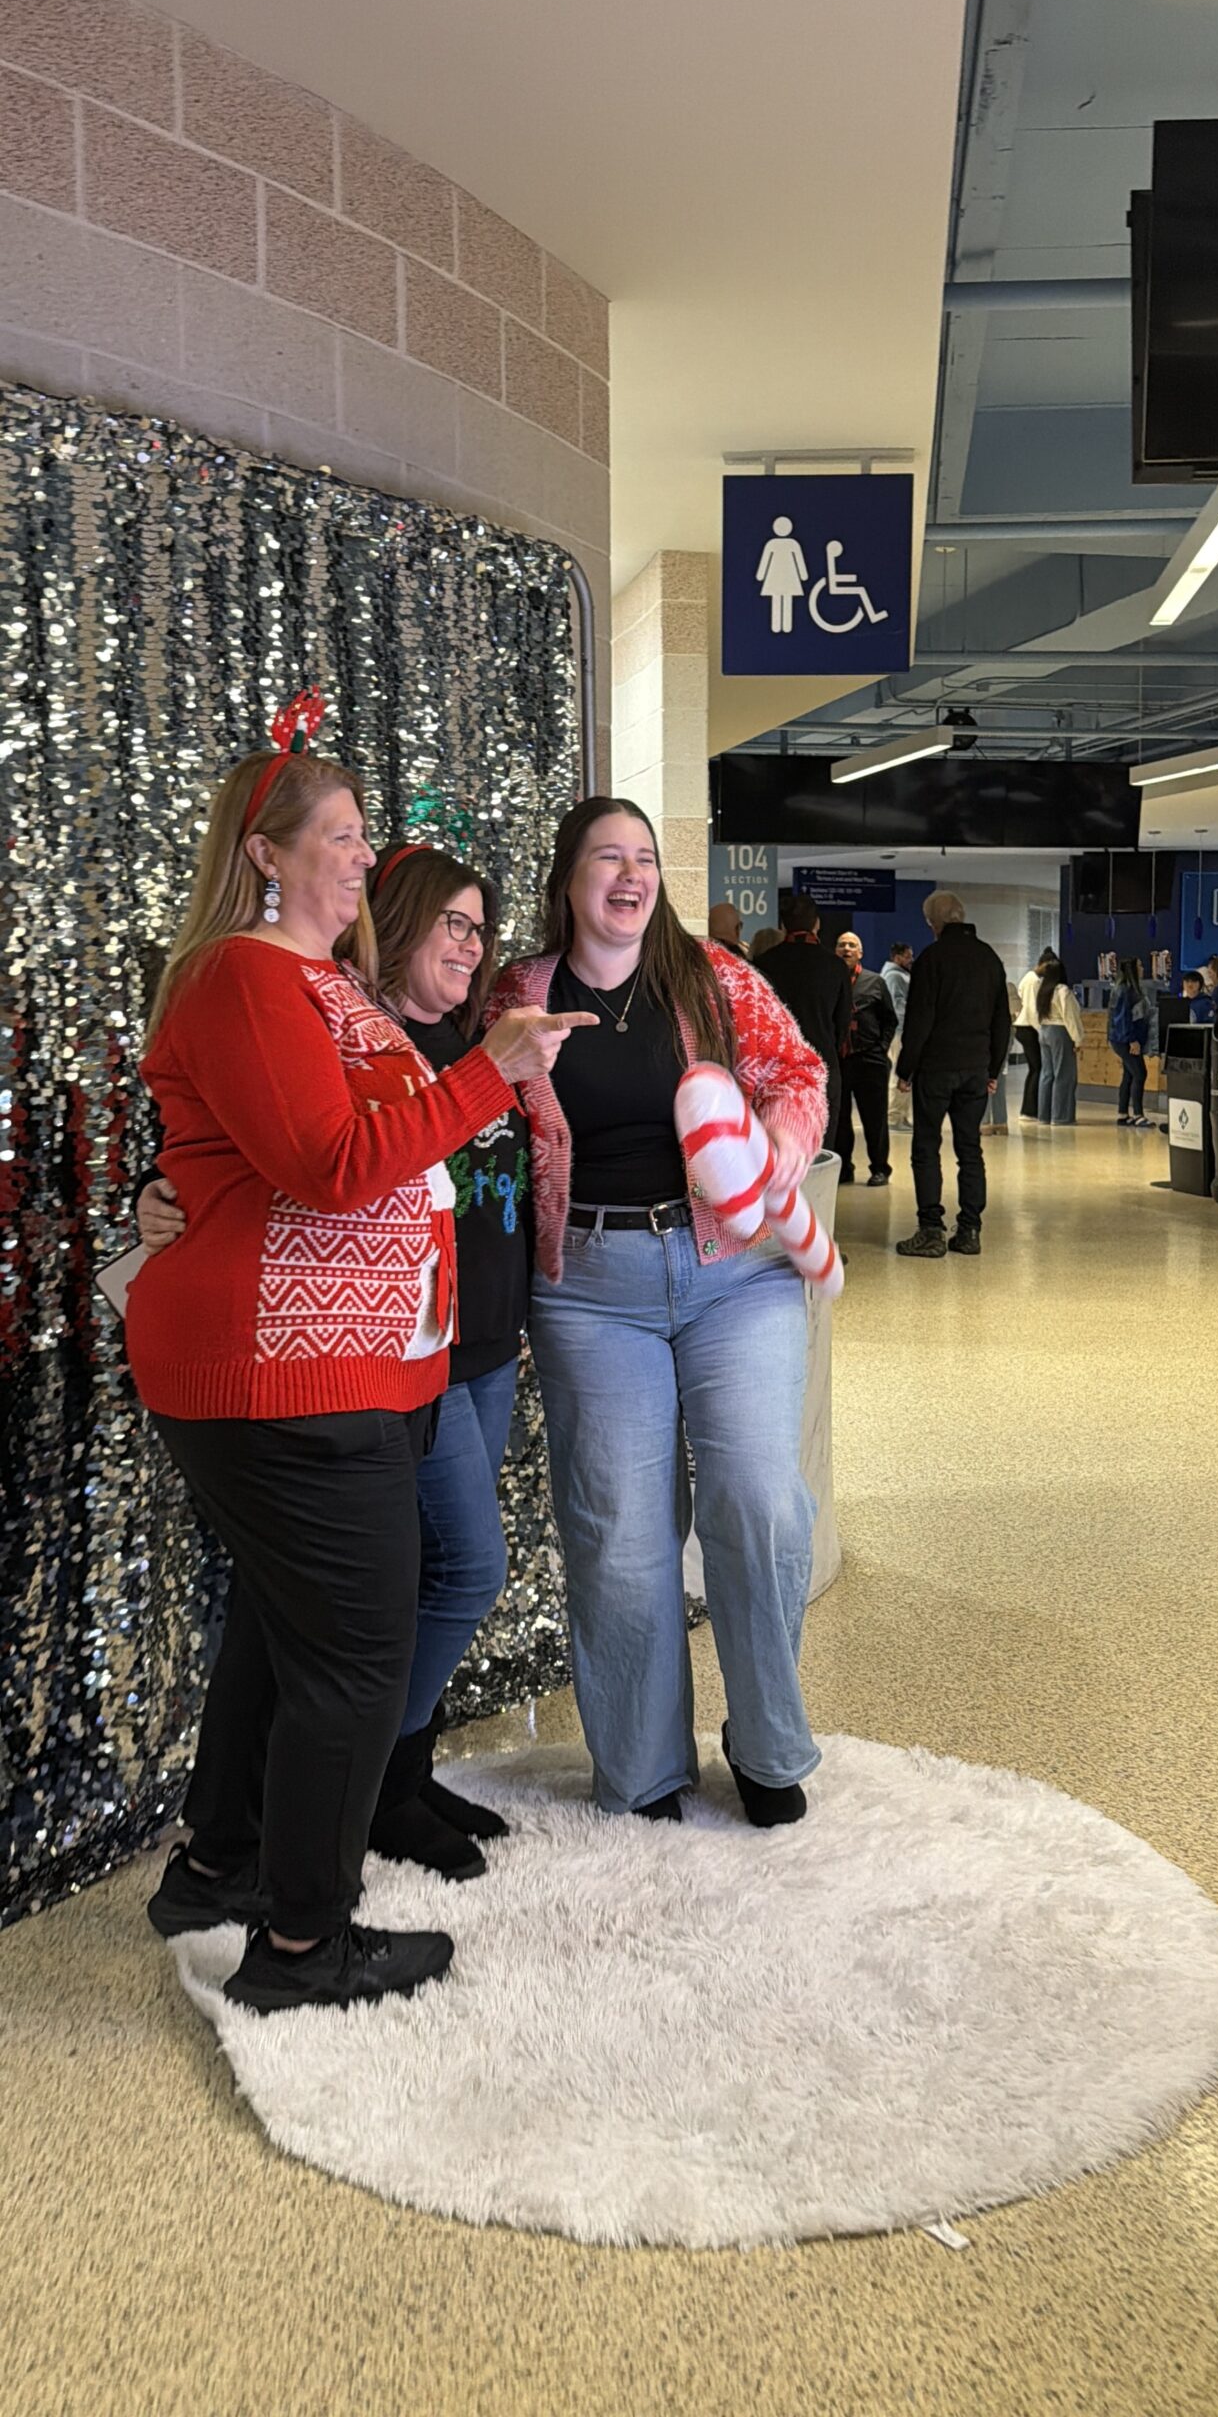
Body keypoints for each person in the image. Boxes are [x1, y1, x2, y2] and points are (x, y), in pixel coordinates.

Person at [130, 739, 591, 2013]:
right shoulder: (239, 976)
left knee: (293, 1640)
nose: (361, 853)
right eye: (336, 834)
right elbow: (333, 1164)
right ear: (264, 853)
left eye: (362, 834)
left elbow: (351, 1150)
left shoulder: (324, 984)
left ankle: (218, 1863)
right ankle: (300, 1949)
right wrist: (486, 1071)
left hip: (357, 1371)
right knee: (356, 1657)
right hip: (281, 1370)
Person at [487, 797, 829, 1827]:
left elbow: (799, 1073)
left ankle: (768, 1749)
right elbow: (447, 1093)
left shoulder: (711, 976)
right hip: (590, 1288)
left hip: (736, 1269)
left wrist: (770, 1152)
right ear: (567, 879)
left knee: (759, 1502)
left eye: (646, 858)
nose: (631, 875)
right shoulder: (519, 994)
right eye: (608, 857)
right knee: (620, 1536)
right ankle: (640, 1768)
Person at [894, 890, 1011, 1260]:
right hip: (975, 1069)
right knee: (969, 1150)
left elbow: (919, 1020)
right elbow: (1000, 1021)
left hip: (936, 1068)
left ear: (935, 924)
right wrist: (992, 1069)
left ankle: (931, 1230)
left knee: (926, 1147)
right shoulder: (989, 958)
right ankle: (970, 1230)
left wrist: (905, 1069)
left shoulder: (931, 959)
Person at [752, 894, 852, 1148]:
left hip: (776, 1069)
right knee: (822, 1150)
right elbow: (843, 1024)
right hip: (822, 1065)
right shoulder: (835, 966)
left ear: (783, 925)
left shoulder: (763, 964)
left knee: (777, 1148)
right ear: (816, 924)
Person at [834, 930, 897, 1185]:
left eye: (852, 945)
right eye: (841, 945)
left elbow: (889, 1020)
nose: (846, 949)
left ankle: (880, 1168)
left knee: (875, 1118)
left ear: (860, 953)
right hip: (840, 1060)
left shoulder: (875, 982)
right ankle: (844, 1168)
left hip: (869, 1059)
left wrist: (881, 1048)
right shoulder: (829, 980)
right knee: (840, 1119)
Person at [1035, 960, 1084, 1126]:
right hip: (1060, 1032)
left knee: (1047, 1074)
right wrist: (1077, 1039)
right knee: (1064, 1074)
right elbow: (1069, 1017)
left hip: (1044, 1030)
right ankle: (1061, 1116)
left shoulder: (1042, 990)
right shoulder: (1063, 990)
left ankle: (1044, 1115)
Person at [1108, 955, 1154, 1129]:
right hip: (1125, 1040)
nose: (1143, 969)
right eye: (1140, 966)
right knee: (1140, 1073)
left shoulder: (1128, 989)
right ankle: (1138, 1114)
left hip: (1124, 1039)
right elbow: (1123, 1018)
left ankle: (1123, 1113)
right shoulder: (1126, 990)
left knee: (1129, 1074)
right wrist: (1132, 1039)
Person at [1015, 945, 1059, 1120]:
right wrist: (1042, 1031)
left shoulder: (1029, 978)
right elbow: (1033, 1010)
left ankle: (1032, 1108)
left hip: (1024, 1026)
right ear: (1043, 964)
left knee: (1036, 1068)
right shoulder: (1033, 981)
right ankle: (1029, 1109)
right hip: (1028, 1027)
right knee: (1037, 1068)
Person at [882, 942, 913, 1128]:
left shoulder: (901, 975)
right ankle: (894, 1117)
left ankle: (900, 1116)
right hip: (899, 1031)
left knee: (904, 1073)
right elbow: (896, 1005)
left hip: (903, 1031)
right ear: (897, 957)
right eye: (908, 956)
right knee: (898, 1073)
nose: (911, 960)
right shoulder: (893, 976)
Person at [984, 980, 1022, 1132]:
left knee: (983, 1076)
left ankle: (984, 1122)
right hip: (1006, 1032)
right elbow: (1017, 1009)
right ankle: (1001, 1122)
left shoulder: (979, 986)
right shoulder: (1008, 987)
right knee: (999, 1075)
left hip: (985, 1033)